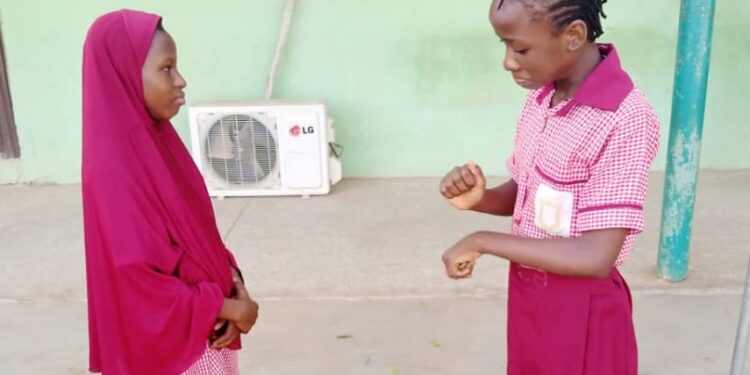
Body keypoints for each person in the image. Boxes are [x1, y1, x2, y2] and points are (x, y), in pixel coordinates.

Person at [439, 1, 660, 373]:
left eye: (520, 48)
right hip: (530, 294)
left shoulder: (625, 119)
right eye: (504, 46)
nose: (508, 62)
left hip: (582, 309)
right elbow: (533, 193)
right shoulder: (543, 97)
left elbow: (595, 256)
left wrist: (482, 240)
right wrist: (479, 198)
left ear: (573, 35)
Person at [82, 9, 258, 374]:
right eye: (166, 68)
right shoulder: (114, 168)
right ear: (126, 74)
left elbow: (198, 233)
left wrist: (235, 283)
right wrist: (227, 308)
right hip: (177, 351)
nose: (181, 81)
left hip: (207, 328)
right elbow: (135, 276)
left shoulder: (160, 145)